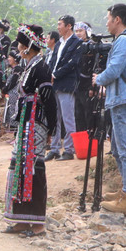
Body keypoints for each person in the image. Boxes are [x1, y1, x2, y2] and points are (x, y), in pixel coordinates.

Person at [2, 25, 57, 236]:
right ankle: (22, 220)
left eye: (19, 43)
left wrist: (51, 127)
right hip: (26, 123)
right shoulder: (29, 66)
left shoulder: (41, 67)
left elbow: (49, 99)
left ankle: (38, 223)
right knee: (19, 166)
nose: (16, 47)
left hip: (36, 124)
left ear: (25, 47)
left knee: (33, 167)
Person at [95, 4, 126, 216]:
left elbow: (114, 70)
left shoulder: (123, 41)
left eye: (108, 18)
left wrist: (98, 79)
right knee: (118, 149)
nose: (106, 22)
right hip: (122, 99)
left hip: (124, 101)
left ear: (118, 20)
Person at [46, 14, 81, 161]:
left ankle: (69, 150)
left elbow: (72, 64)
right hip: (55, 84)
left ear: (69, 26)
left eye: (60, 24)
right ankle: (54, 148)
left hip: (66, 84)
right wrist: (49, 75)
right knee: (55, 119)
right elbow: (54, 61)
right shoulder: (59, 43)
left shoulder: (77, 42)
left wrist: (56, 75)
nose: (58, 27)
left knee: (68, 119)